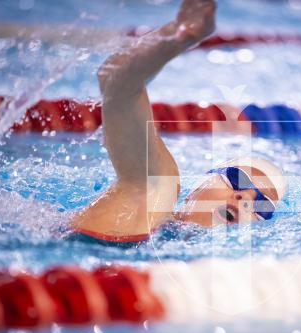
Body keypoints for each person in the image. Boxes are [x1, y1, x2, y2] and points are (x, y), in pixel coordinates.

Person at [71, 0, 287, 243]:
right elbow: (116, 81)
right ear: (199, 185)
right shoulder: (154, 194)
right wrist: (175, 36)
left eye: (261, 204)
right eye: (238, 180)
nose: (245, 197)